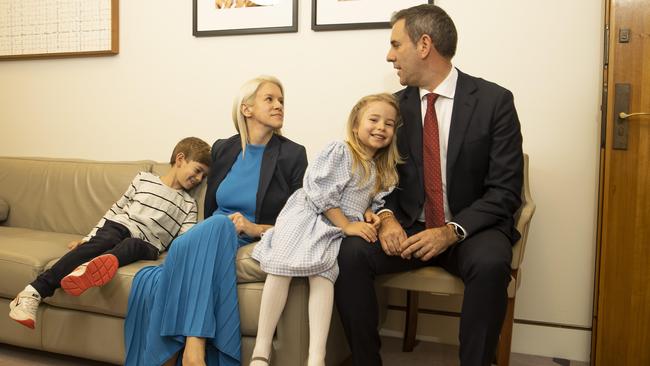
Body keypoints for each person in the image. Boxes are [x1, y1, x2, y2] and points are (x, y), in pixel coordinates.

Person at [335, 5, 524, 366]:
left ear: (424, 44)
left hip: (470, 228)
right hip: (410, 228)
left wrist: (452, 231)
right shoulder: (393, 109)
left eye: (395, 44)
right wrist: (387, 217)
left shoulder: (494, 102)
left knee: (492, 263)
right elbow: (375, 179)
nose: (389, 56)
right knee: (351, 253)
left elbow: (504, 191)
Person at [124, 75, 308, 366]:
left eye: (281, 101)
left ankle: (189, 349)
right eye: (269, 99)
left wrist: (254, 228)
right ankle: (190, 350)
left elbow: (302, 220)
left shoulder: (292, 154)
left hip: (246, 236)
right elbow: (206, 209)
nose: (278, 105)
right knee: (213, 228)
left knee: (159, 277)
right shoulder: (223, 148)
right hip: (207, 236)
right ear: (246, 109)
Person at [250, 93, 402, 366]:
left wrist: (370, 215)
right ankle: (261, 351)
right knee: (280, 267)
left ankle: (316, 358)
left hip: (335, 228)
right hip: (311, 216)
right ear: (356, 124)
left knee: (324, 275)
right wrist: (347, 224)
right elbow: (320, 192)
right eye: (374, 119)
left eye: (389, 124)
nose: (381, 127)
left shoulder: (383, 171)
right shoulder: (341, 151)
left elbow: (371, 202)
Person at [8, 137, 211, 330]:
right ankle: (32, 293)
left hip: (148, 244)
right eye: (198, 170)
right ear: (180, 159)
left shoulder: (188, 204)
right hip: (119, 226)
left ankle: (91, 267)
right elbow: (116, 210)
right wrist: (89, 238)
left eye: (204, 176)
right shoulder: (144, 180)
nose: (199, 179)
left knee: (131, 245)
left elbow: (185, 239)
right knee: (104, 239)